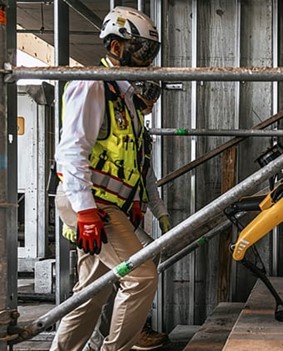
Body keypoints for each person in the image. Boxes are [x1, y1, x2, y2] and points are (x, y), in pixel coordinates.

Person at [51, 6, 164, 351]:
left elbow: (133, 164)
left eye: (150, 52)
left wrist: (139, 205)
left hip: (106, 204)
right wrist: (86, 212)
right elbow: (71, 151)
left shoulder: (124, 97)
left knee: (91, 294)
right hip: (91, 203)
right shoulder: (92, 85)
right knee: (141, 277)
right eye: (141, 49)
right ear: (116, 46)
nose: (145, 59)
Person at [80, 82, 171, 351]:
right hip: (95, 209)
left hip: (115, 210)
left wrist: (161, 213)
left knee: (96, 286)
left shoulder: (139, 134)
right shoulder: (103, 110)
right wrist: (84, 209)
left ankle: (102, 339)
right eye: (149, 94)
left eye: (156, 95)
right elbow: (73, 156)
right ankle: (107, 340)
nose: (152, 102)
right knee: (133, 273)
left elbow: (147, 177)